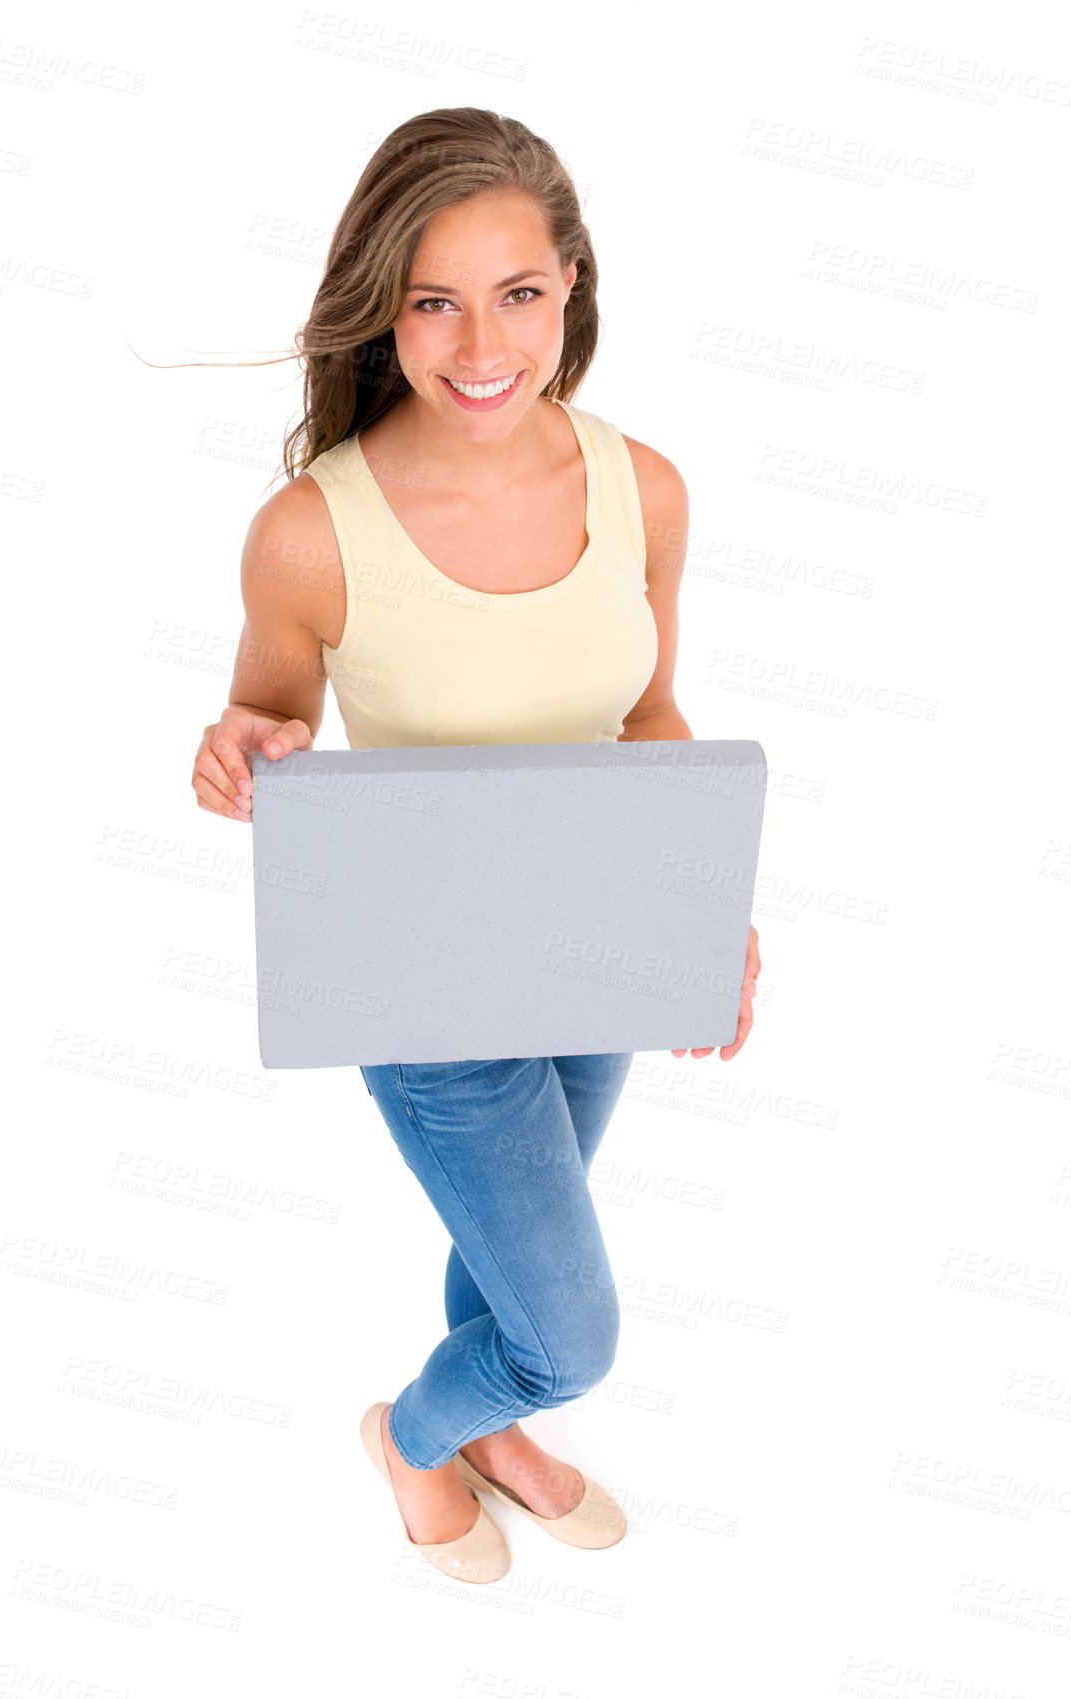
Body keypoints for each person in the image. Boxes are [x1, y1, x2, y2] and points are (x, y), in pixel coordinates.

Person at [190, 107, 761, 1585]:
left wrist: (703, 912)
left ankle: (489, 1427)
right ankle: (422, 1438)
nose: (480, 342)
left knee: (512, 1262)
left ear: (571, 282)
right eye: (433, 299)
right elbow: (268, 719)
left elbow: (649, 710)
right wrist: (239, 749)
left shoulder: (647, 489)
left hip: (592, 945)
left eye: (516, 291)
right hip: (420, 979)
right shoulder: (312, 533)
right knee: (569, 1334)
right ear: (387, 307)